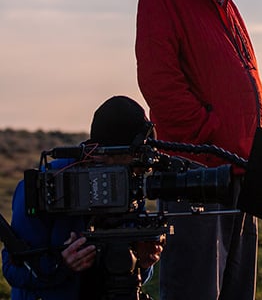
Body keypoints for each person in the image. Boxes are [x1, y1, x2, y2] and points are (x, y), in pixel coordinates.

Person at [135, 0, 262, 299]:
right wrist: (206, 141)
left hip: (244, 171)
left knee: (237, 292)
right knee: (195, 291)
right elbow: (159, 83)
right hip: (198, 177)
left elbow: (245, 89)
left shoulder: (226, 3)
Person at [1, 95, 163, 300]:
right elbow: (13, 270)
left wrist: (143, 261)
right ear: (100, 152)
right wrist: (61, 264)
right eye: (131, 164)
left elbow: (127, 270)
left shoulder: (129, 187)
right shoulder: (45, 186)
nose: (136, 173)